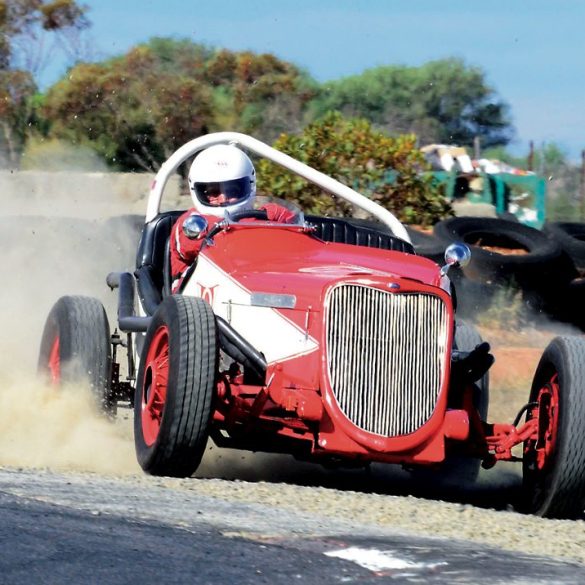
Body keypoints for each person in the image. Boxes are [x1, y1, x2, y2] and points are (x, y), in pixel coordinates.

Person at [170, 143, 295, 292]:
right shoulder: (191, 222)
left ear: (249, 185)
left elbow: (295, 230)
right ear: (197, 190)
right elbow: (207, 241)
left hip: (255, 289)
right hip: (194, 303)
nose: (223, 198)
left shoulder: (268, 215)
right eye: (214, 192)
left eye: (233, 190)